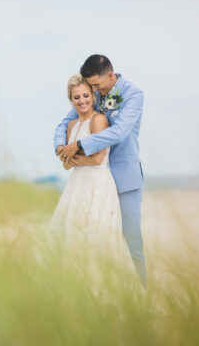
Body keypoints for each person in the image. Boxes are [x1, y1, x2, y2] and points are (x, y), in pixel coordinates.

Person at [54, 55, 147, 289]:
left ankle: (140, 294)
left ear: (110, 75)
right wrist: (60, 147)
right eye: (90, 86)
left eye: (96, 86)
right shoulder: (92, 92)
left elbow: (119, 132)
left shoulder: (133, 95)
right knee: (93, 237)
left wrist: (80, 146)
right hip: (94, 182)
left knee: (130, 240)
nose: (93, 91)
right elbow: (64, 123)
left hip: (123, 177)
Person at [48, 74, 129, 269]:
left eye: (85, 96)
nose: (82, 101)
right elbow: (66, 164)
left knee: (96, 237)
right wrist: (72, 158)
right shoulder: (71, 126)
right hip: (76, 185)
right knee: (72, 236)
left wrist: (74, 157)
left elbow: (98, 158)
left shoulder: (99, 120)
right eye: (77, 97)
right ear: (71, 100)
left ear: (92, 96)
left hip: (98, 183)